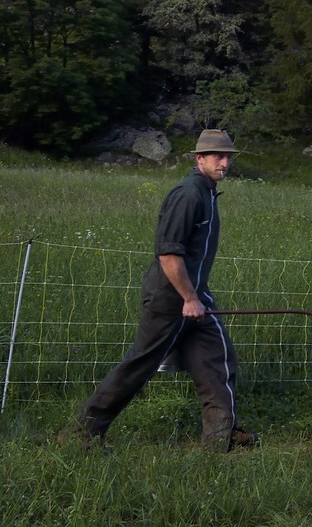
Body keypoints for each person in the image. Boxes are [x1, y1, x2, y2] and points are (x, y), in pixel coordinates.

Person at [72, 128, 256, 452]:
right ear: (200, 158)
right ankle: (82, 434)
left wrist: (196, 297)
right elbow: (168, 253)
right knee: (139, 367)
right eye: (218, 156)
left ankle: (220, 438)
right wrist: (188, 298)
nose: (225, 162)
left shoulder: (207, 193)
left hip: (196, 296)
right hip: (170, 299)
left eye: (228, 156)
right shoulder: (188, 195)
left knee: (217, 358)